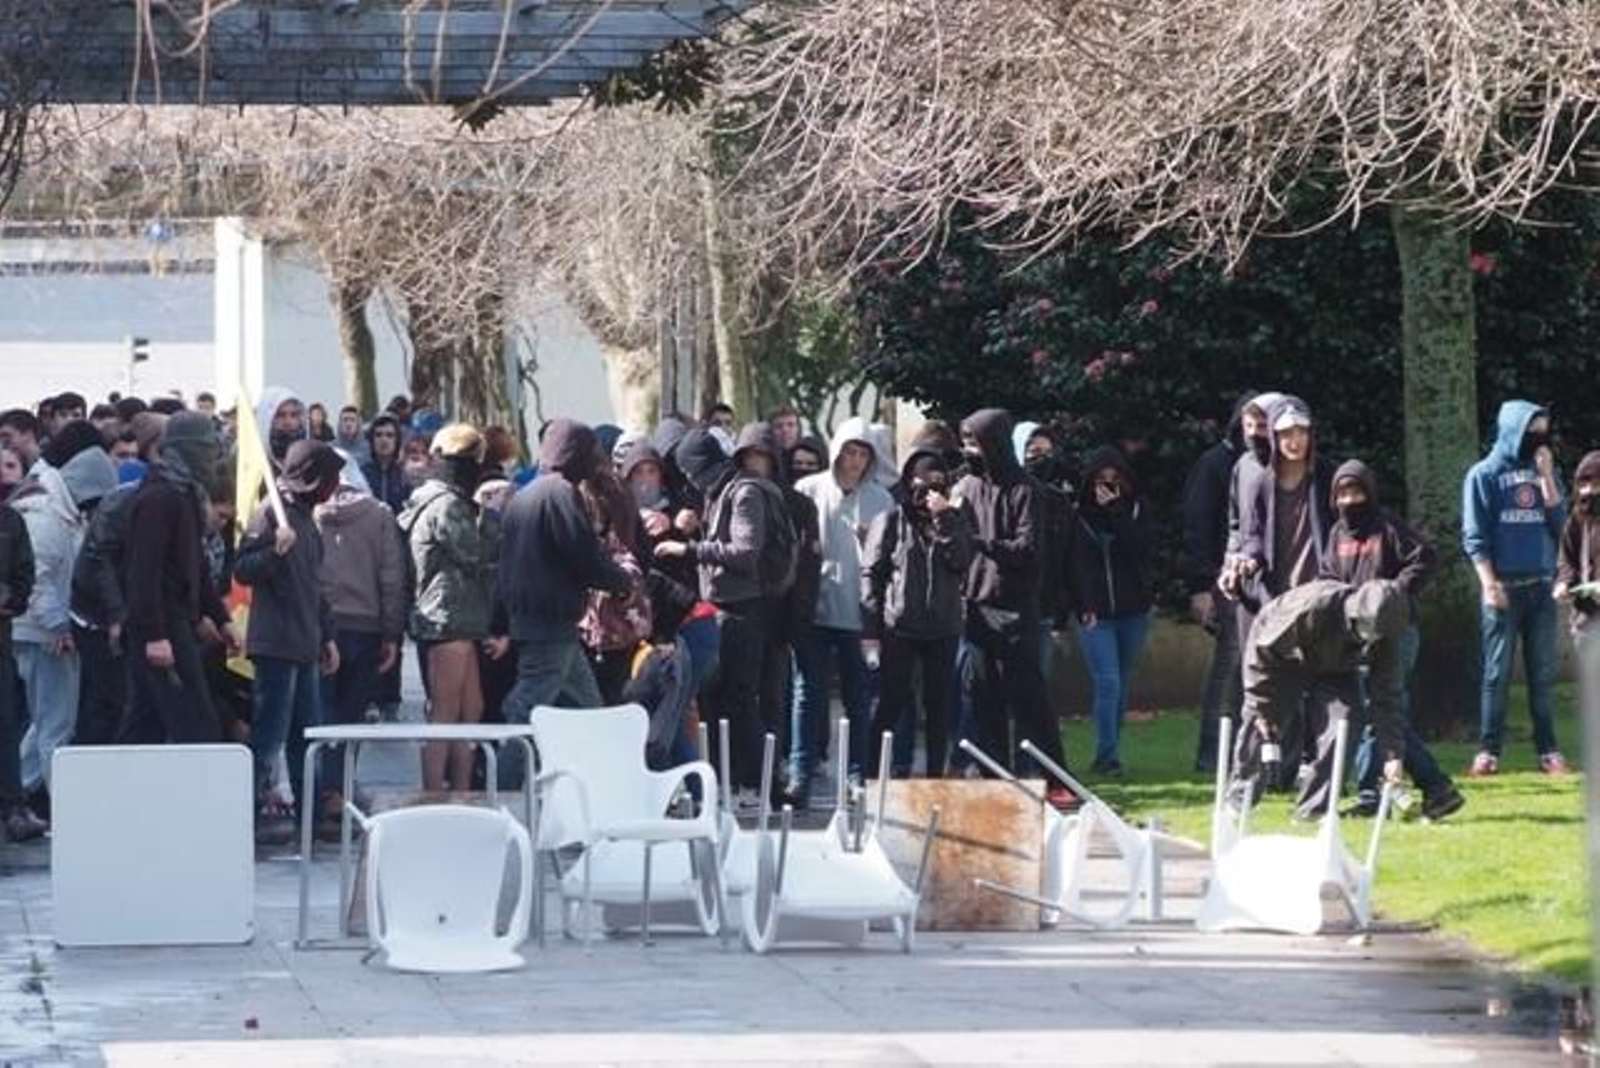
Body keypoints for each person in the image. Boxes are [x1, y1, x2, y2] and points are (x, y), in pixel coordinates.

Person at [1316, 460, 1464, 821]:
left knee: (1380, 709)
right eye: (1343, 493)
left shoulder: (1388, 526)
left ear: (1370, 492)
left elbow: (1424, 557)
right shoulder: (1336, 535)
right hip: (1357, 634)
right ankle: (1410, 792)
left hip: (1396, 632)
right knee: (1376, 711)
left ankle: (1425, 787)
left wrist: (1393, 595)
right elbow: (1326, 578)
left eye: (1357, 492)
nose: (1351, 500)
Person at [657, 427, 782, 810]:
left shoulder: (744, 492)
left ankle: (764, 785)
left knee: (742, 700)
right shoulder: (724, 491)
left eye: (692, 473)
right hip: (727, 606)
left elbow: (745, 552)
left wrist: (690, 548)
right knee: (728, 700)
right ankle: (736, 782)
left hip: (745, 609)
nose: (691, 482)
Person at [955, 408, 1070, 803]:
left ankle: (1058, 780)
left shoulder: (1027, 491)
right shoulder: (967, 487)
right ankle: (993, 780)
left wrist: (979, 542)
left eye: (975, 443)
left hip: (1016, 608)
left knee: (1029, 699)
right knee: (983, 697)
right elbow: (956, 541)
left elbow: (1028, 550)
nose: (968, 450)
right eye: (966, 442)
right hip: (977, 605)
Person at [234, 440, 343, 835]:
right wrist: (273, 553)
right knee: (268, 739)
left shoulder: (306, 521)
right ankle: (244, 819)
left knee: (305, 739)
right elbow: (243, 569)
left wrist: (327, 635)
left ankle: (309, 818)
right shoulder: (270, 516)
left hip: (305, 643)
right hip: (276, 645)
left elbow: (314, 588)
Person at [1230, 579, 1407, 818]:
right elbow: (1263, 651)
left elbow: (1387, 696)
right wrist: (1262, 706)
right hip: (1280, 655)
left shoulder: (1385, 636)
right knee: (1261, 723)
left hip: (1336, 666)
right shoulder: (1312, 607)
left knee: (1346, 721)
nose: (1371, 639)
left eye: (1378, 634)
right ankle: (1239, 799)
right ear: (1356, 613)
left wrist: (1392, 754)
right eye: (1367, 628)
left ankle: (1314, 810)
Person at [787, 417, 893, 800]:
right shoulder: (807, 489)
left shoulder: (882, 500)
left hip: (859, 614)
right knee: (806, 693)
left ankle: (856, 776)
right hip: (812, 610)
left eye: (863, 453)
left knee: (858, 696)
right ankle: (799, 773)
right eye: (849, 451)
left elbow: (891, 560)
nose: (854, 460)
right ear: (836, 452)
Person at [118, 412, 238, 745]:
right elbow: (144, 573)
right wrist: (155, 635)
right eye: (206, 449)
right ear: (184, 450)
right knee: (195, 723)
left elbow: (195, 565)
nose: (213, 457)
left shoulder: (183, 494)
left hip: (172, 624)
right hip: (162, 627)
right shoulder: (160, 498)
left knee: (146, 724)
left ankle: (126, 793)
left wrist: (221, 619)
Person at [1462, 399, 1568, 776]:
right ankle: (1488, 752)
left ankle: (1549, 751)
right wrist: (1489, 583)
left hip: (1540, 587)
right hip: (1503, 587)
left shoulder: (1543, 472)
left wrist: (1547, 478)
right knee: (1497, 673)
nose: (1538, 437)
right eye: (1532, 430)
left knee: (1541, 674)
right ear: (1513, 431)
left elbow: (1561, 525)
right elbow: (1474, 537)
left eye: (1543, 430)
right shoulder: (1483, 475)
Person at [13, 436, 118, 805]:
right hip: (45, 633)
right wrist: (59, 624)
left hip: (41, 629)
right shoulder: (47, 518)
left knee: (45, 721)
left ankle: (17, 792)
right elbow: (37, 581)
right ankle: (66, 808)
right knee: (56, 724)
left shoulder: (57, 511)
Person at [400, 425, 501, 793]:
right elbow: (474, 550)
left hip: (460, 620)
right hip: (446, 620)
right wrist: (492, 517)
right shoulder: (446, 505)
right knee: (445, 715)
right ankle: (434, 794)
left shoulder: (440, 500)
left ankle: (460, 792)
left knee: (469, 711)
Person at [862, 447, 972, 777]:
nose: (928, 493)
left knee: (938, 707)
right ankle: (870, 772)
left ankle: (935, 775)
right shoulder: (891, 520)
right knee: (891, 701)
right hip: (900, 627)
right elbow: (872, 575)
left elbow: (963, 561)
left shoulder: (954, 519)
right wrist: (871, 631)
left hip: (943, 628)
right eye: (923, 485)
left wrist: (946, 518)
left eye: (938, 485)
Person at [314, 453, 405, 799]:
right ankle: (341, 789)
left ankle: (323, 790)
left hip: (323, 625)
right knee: (352, 715)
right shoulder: (379, 514)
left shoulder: (312, 512)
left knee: (322, 714)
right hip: (367, 627)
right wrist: (392, 633)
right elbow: (392, 578)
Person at [1067, 446, 1155, 777]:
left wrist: (1117, 511)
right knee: (1108, 682)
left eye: (1114, 479)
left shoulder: (1136, 510)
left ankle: (1111, 751)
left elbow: (1141, 551)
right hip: (1095, 614)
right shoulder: (1078, 516)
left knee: (1121, 682)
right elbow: (1073, 565)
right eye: (1101, 480)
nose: (1107, 486)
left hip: (1134, 611)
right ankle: (1107, 755)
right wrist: (1083, 604)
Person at [1181, 393, 1254, 771]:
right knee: (1228, 669)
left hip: (1258, 583)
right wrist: (1201, 585)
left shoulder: (1261, 465)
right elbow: (1198, 526)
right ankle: (1212, 756)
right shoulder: (1214, 465)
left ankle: (1248, 754)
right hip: (1225, 584)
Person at [0, 495, 40, 841]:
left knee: (6, 721)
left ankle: (13, 806)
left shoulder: (11, 522)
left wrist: (13, 599)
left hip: (2, 637)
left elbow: (25, 572)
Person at [1556, 451, 1600, 732]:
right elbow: (1566, 559)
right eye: (1584, 483)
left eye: (1596, 483)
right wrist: (1564, 583)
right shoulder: (1576, 519)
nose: (1589, 490)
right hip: (1586, 618)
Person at [360, 413, 409, 515]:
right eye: (378, 435)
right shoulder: (362, 474)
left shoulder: (405, 474)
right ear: (371, 440)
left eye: (389, 435)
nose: (384, 439)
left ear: (397, 441)